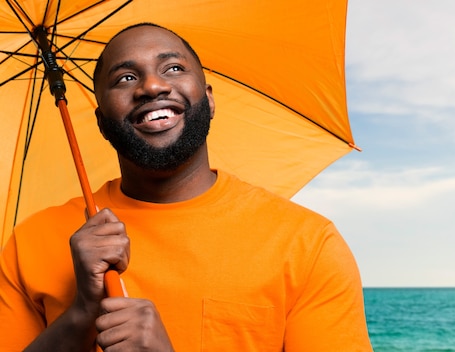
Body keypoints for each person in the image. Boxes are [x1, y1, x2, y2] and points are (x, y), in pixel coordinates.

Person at [0, 23, 372, 351]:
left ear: (208, 99)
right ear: (101, 121)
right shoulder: (30, 242)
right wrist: (81, 314)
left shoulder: (307, 245)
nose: (152, 85)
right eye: (125, 78)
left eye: (173, 68)